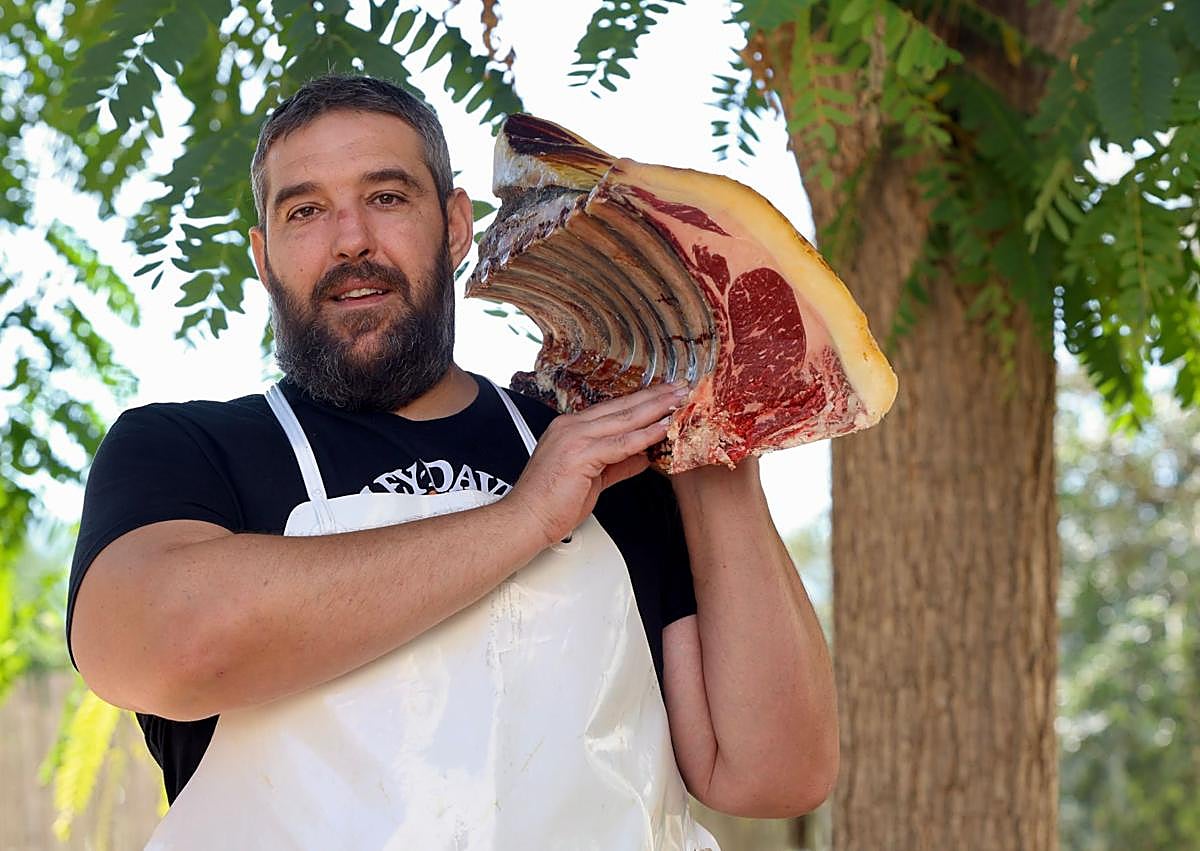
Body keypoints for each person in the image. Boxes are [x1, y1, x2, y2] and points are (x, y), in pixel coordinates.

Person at [67, 74, 837, 847]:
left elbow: (775, 773)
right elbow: (163, 645)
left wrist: (713, 430)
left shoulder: (602, 453)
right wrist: (524, 519)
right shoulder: (185, 451)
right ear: (263, 258)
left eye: (387, 196)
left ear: (457, 225)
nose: (350, 239)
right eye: (305, 210)